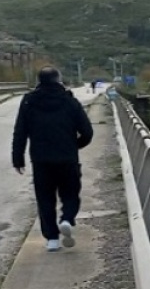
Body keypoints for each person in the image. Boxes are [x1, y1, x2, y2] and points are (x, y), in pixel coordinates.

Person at [11, 66, 94, 252]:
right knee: (71, 194)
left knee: (45, 199)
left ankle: (52, 239)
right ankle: (67, 219)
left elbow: (20, 132)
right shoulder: (69, 101)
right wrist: (75, 146)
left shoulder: (28, 102)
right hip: (67, 158)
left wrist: (18, 159)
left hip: (41, 160)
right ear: (58, 79)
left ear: (39, 81)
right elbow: (87, 131)